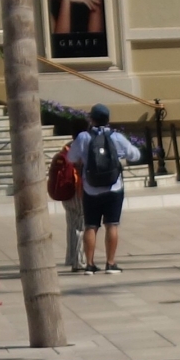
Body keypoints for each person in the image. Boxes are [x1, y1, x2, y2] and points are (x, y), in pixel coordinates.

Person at [68, 103, 143, 274]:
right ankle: (110, 263)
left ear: (92, 119)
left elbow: (71, 157)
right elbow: (135, 154)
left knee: (91, 226)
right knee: (112, 225)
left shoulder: (83, 137)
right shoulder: (116, 137)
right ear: (108, 120)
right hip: (114, 187)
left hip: (90, 188)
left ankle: (89, 264)